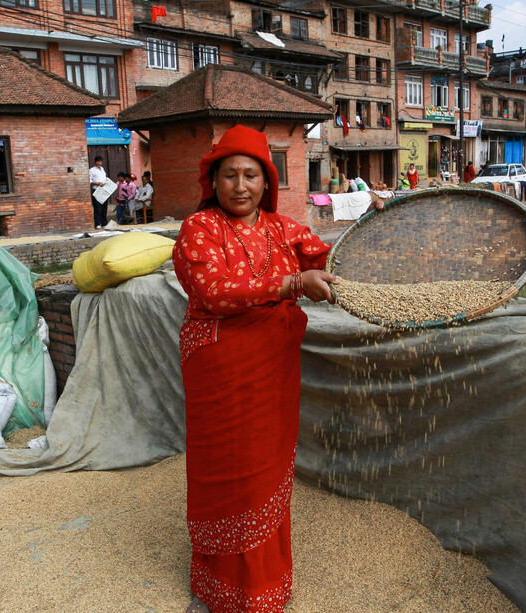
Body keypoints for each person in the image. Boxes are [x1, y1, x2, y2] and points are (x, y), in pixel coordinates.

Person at [172, 125, 343, 613]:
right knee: (226, 470)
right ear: (214, 181)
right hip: (220, 371)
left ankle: (265, 584)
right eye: (230, 175)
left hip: (273, 368)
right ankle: (221, 585)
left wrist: (375, 240)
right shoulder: (198, 229)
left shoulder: (284, 228)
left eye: (251, 175)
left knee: (266, 467)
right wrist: (292, 282)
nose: (241, 186)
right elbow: (214, 292)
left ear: (267, 182)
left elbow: (331, 258)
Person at [89, 156, 109, 229]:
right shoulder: (92, 170)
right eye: (97, 161)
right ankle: (97, 223)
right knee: (97, 207)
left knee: (104, 207)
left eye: (100, 161)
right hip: (96, 190)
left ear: (102, 162)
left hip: (104, 190)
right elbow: (89, 181)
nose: (99, 163)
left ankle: (104, 223)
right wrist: (97, 183)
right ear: (95, 162)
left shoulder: (103, 170)